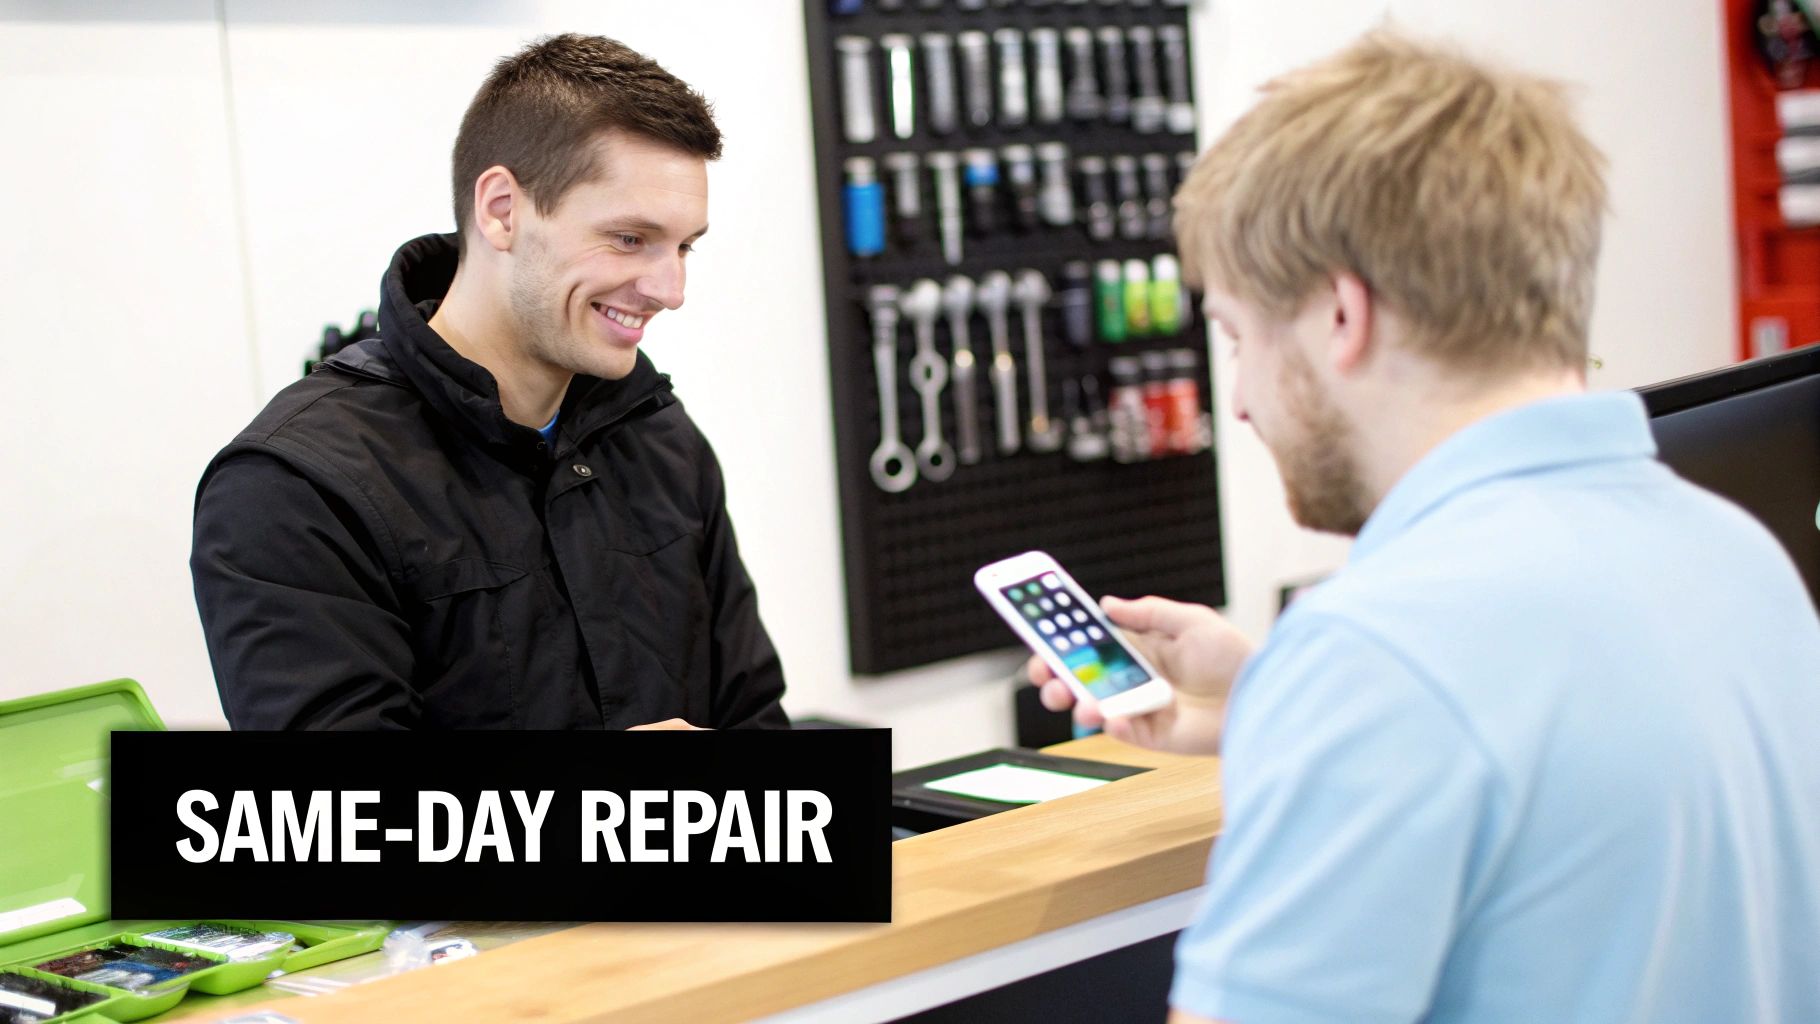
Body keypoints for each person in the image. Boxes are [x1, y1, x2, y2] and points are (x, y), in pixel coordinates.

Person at [1033, 31, 1820, 1023]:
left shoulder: (1377, 659)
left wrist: (1320, 693)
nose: (1237, 401)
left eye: (1236, 335)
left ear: (1340, 315)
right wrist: (1270, 696)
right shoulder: (1738, 556)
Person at [192, 34, 787, 732]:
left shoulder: (663, 443)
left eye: (683, 247)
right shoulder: (295, 490)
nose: (671, 289)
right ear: (502, 210)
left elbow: (757, 724)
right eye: (630, 239)